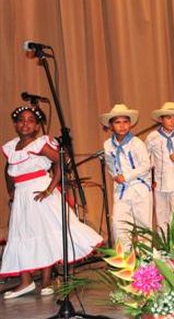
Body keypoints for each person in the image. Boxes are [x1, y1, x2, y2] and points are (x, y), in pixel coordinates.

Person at [1, 106, 102, 298]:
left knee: (44, 234)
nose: (25, 123)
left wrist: (49, 189)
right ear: (15, 124)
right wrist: (11, 192)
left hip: (39, 192)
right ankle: (26, 281)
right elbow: (8, 170)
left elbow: (61, 163)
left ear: (38, 126)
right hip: (22, 196)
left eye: (31, 120)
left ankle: (46, 281)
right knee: (22, 235)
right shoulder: (11, 147)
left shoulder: (40, 144)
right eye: (21, 120)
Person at [101, 103, 152, 248]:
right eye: (117, 122)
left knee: (144, 227)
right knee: (119, 225)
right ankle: (125, 261)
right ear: (111, 126)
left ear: (130, 124)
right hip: (121, 190)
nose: (122, 126)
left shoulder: (137, 143)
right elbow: (110, 163)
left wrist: (127, 176)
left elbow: (146, 165)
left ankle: (146, 263)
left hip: (138, 186)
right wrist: (116, 175)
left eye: (125, 122)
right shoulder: (107, 145)